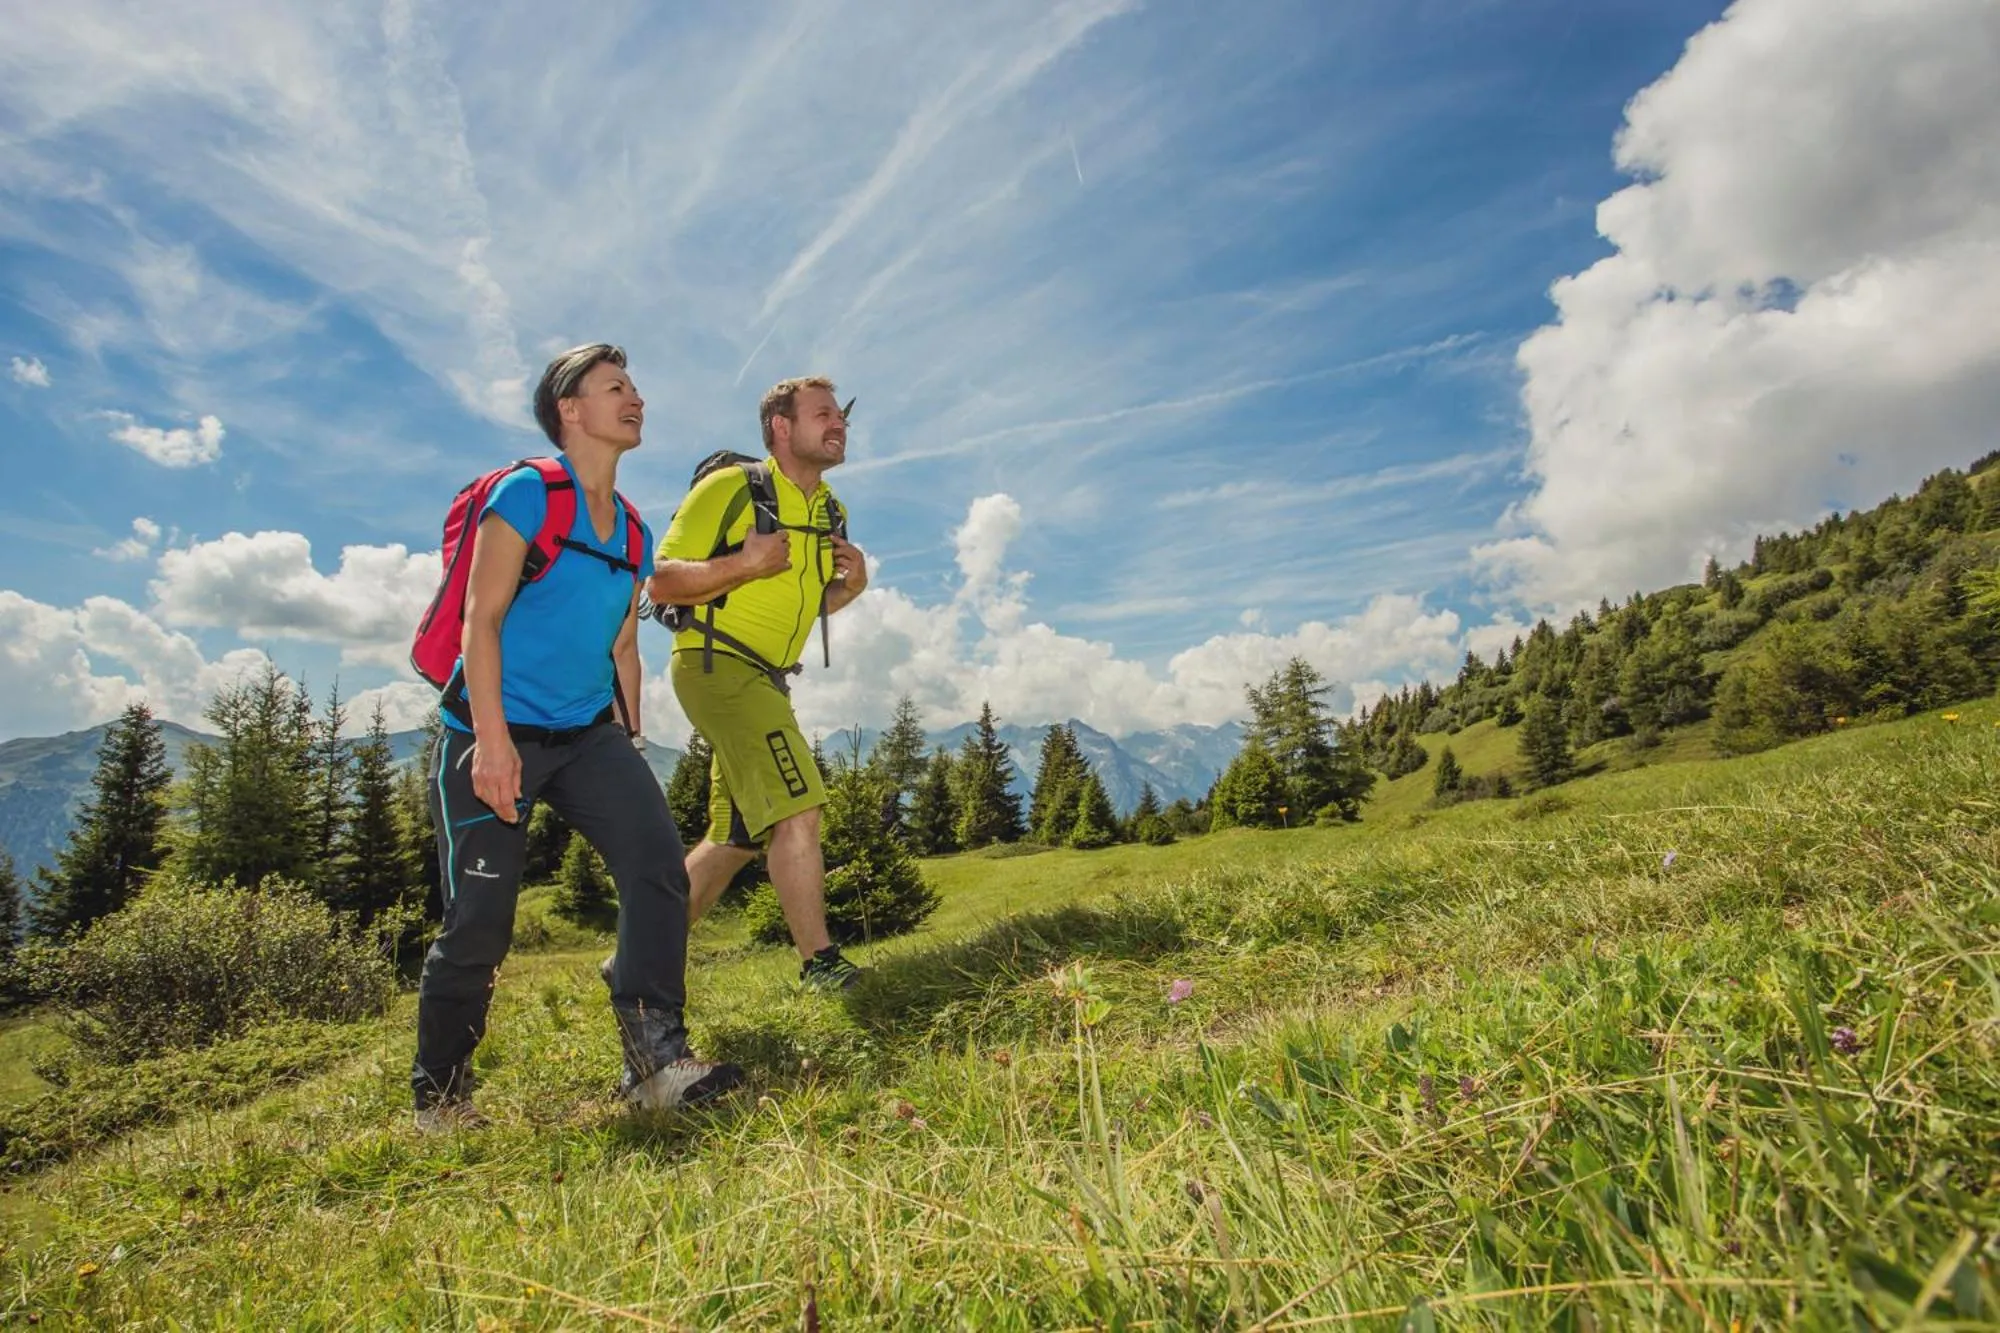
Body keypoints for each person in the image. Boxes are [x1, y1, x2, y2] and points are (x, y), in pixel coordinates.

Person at [412, 343, 743, 1132]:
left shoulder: (632, 528)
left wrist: (630, 743)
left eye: (635, 386)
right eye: (615, 387)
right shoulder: (530, 494)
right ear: (570, 409)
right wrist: (493, 744)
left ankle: (655, 1063)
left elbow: (623, 644)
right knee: (481, 923)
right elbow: (479, 621)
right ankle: (441, 1100)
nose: (636, 399)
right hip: (492, 729)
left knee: (659, 868)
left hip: (590, 732)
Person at [646, 375, 870, 989]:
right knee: (800, 804)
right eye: (822, 414)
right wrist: (743, 562)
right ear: (780, 426)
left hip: (767, 680)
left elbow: (802, 603)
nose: (838, 425)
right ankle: (820, 966)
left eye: (841, 417)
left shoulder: (830, 510)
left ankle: (637, 960)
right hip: (716, 664)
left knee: (735, 838)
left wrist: (847, 591)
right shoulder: (732, 489)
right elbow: (658, 580)